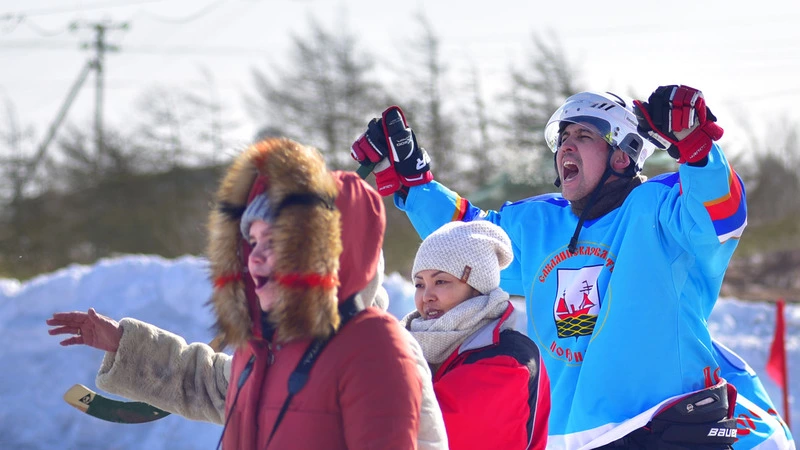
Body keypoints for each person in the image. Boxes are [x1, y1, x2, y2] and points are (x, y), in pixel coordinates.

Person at [351, 88, 794, 449]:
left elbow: (720, 217)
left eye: (583, 135)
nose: (565, 145)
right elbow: (470, 242)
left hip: (665, 427)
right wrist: (413, 180)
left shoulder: (659, 209)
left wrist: (696, 148)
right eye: (563, 137)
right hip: (573, 437)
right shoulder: (542, 224)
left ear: (623, 155)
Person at [47, 137, 449, 449]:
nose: (255, 258)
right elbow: (204, 382)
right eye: (252, 243)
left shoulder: (372, 349)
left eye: (273, 243)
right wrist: (122, 343)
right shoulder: (271, 349)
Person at [400, 220, 550, 449]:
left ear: (477, 288)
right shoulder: (417, 348)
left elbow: (434, 431)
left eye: (441, 281)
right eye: (419, 285)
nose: (426, 296)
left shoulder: (507, 359)